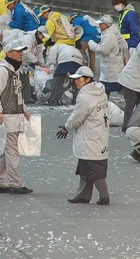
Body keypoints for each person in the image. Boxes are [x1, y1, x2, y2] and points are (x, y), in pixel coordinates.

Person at [55, 66, 110, 205]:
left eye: (78, 79)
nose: (76, 82)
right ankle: (83, 196)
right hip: (99, 133)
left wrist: (66, 127)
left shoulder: (85, 96)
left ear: (87, 79)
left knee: (93, 167)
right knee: (86, 166)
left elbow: (78, 116)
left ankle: (104, 196)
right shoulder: (100, 92)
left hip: (90, 135)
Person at [0, 39, 33, 195]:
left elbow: (17, 93)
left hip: (13, 115)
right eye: (18, 51)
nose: (21, 54)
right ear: (9, 53)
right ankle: (16, 184)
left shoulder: (14, 70)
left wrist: (24, 110)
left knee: (4, 150)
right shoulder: (3, 70)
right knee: (12, 150)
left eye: (21, 51)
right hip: (6, 116)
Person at [88, 14, 128, 97]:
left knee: (108, 87)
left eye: (100, 24)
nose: (99, 26)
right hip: (115, 63)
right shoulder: (115, 32)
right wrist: (122, 57)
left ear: (106, 25)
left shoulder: (109, 35)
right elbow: (125, 46)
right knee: (117, 86)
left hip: (110, 65)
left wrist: (91, 44)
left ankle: (103, 105)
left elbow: (103, 50)